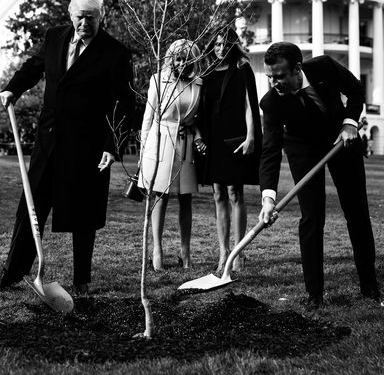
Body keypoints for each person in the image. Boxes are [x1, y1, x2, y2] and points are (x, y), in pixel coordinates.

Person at [0, 0, 134, 295]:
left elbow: (124, 105)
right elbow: (34, 66)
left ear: (102, 17)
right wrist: (13, 89)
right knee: (30, 208)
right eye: (79, 16)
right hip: (49, 140)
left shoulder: (115, 53)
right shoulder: (54, 37)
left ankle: (81, 280)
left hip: (87, 147)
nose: (84, 23)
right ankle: (13, 274)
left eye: (91, 17)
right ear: (69, 14)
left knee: (83, 214)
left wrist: (113, 146)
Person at [258, 41, 380, 309]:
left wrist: (349, 123)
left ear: (297, 69)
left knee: (357, 212)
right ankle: (315, 295)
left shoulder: (324, 67)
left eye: (279, 76)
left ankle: (370, 286)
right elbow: (270, 151)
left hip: (340, 140)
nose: (273, 82)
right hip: (302, 149)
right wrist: (268, 197)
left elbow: (355, 90)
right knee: (312, 218)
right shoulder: (271, 103)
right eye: (269, 76)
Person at [196, 27, 262, 272]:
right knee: (218, 194)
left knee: (235, 192)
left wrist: (251, 136)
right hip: (213, 138)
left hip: (235, 137)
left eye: (225, 44)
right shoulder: (207, 71)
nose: (220, 48)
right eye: (217, 44)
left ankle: (238, 250)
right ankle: (223, 250)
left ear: (233, 45)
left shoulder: (242, 67)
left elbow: (249, 104)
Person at [138, 39, 202, 271]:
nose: (183, 63)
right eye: (178, 58)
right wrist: (144, 150)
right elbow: (148, 117)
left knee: (186, 198)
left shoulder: (198, 84)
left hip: (185, 145)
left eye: (188, 58)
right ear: (171, 60)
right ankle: (157, 250)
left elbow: (196, 120)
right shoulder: (158, 81)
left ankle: (185, 252)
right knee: (160, 196)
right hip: (160, 142)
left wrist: (197, 137)